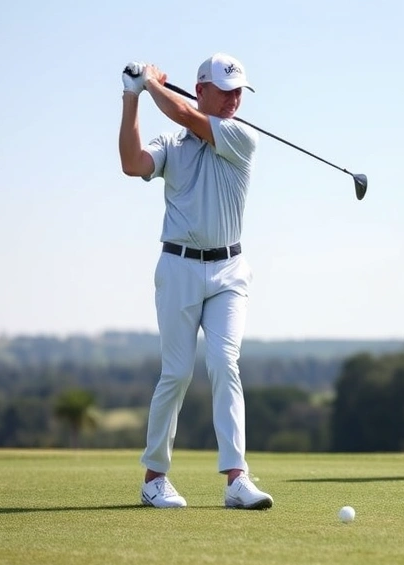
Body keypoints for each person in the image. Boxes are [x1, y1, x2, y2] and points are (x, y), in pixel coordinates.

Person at [119, 53, 273, 509]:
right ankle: (154, 479)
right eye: (224, 92)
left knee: (226, 363)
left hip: (229, 270)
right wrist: (132, 98)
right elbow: (132, 163)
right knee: (177, 372)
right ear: (201, 88)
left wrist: (150, 84)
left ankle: (236, 479)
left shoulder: (242, 137)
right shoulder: (173, 143)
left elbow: (185, 112)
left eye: (238, 92)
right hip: (178, 267)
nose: (233, 100)